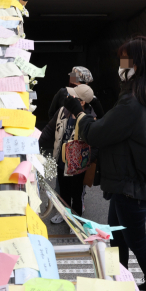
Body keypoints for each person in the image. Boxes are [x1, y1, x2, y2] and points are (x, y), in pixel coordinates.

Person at [62, 36, 146, 291]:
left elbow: (98, 132)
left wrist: (79, 113)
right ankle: (117, 281)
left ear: (138, 65)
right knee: (117, 236)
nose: (120, 67)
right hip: (130, 180)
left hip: (129, 185)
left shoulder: (133, 103)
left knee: (135, 240)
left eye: (125, 61)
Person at [39, 84, 97, 228]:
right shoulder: (62, 112)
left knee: (76, 195)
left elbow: (95, 144)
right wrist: (36, 143)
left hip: (78, 167)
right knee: (63, 192)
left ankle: (76, 221)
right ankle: (64, 214)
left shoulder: (90, 119)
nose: (68, 97)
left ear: (82, 102)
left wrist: (89, 161)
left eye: (73, 97)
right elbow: (48, 130)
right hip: (61, 161)